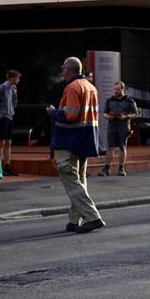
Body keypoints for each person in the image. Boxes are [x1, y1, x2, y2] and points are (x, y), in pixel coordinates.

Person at [48, 56, 105, 233]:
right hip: (85, 139)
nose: (62, 71)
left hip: (70, 139)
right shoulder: (91, 87)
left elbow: (70, 115)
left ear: (70, 70)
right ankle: (74, 220)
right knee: (80, 180)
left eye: (63, 68)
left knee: (69, 176)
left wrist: (54, 112)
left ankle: (92, 216)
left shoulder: (72, 87)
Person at [100, 81, 139, 176]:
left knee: (122, 147)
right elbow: (105, 113)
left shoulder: (129, 100)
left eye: (118, 89)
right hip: (112, 125)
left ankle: (121, 168)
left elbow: (136, 114)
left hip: (123, 125)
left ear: (123, 89)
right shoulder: (110, 100)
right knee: (110, 147)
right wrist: (107, 117)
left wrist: (126, 116)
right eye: (115, 89)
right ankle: (106, 169)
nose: (116, 91)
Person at [0, 69, 21, 176]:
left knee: (8, 142)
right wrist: (0, 116)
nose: (18, 80)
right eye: (17, 78)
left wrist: (12, 110)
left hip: (10, 117)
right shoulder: (0, 88)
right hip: (2, 118)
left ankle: (7, 166)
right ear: (11, 78)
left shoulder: (13, 88)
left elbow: (14, 102)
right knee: (0, 142)